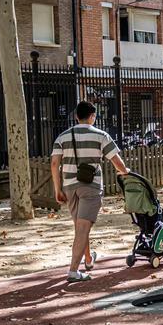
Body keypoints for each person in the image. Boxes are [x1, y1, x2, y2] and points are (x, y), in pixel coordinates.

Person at [50, 101, 128, 282]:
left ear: (76, 116)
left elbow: (54, 164)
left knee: (80, 226)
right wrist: (126, 172)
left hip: (69, 187)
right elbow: (117, 162)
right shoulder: (101, 136)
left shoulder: (62, 137)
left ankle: (88, 259)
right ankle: (73, 271)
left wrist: (57, 189)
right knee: (83, 227)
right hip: (91, 186)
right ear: (92, 116)